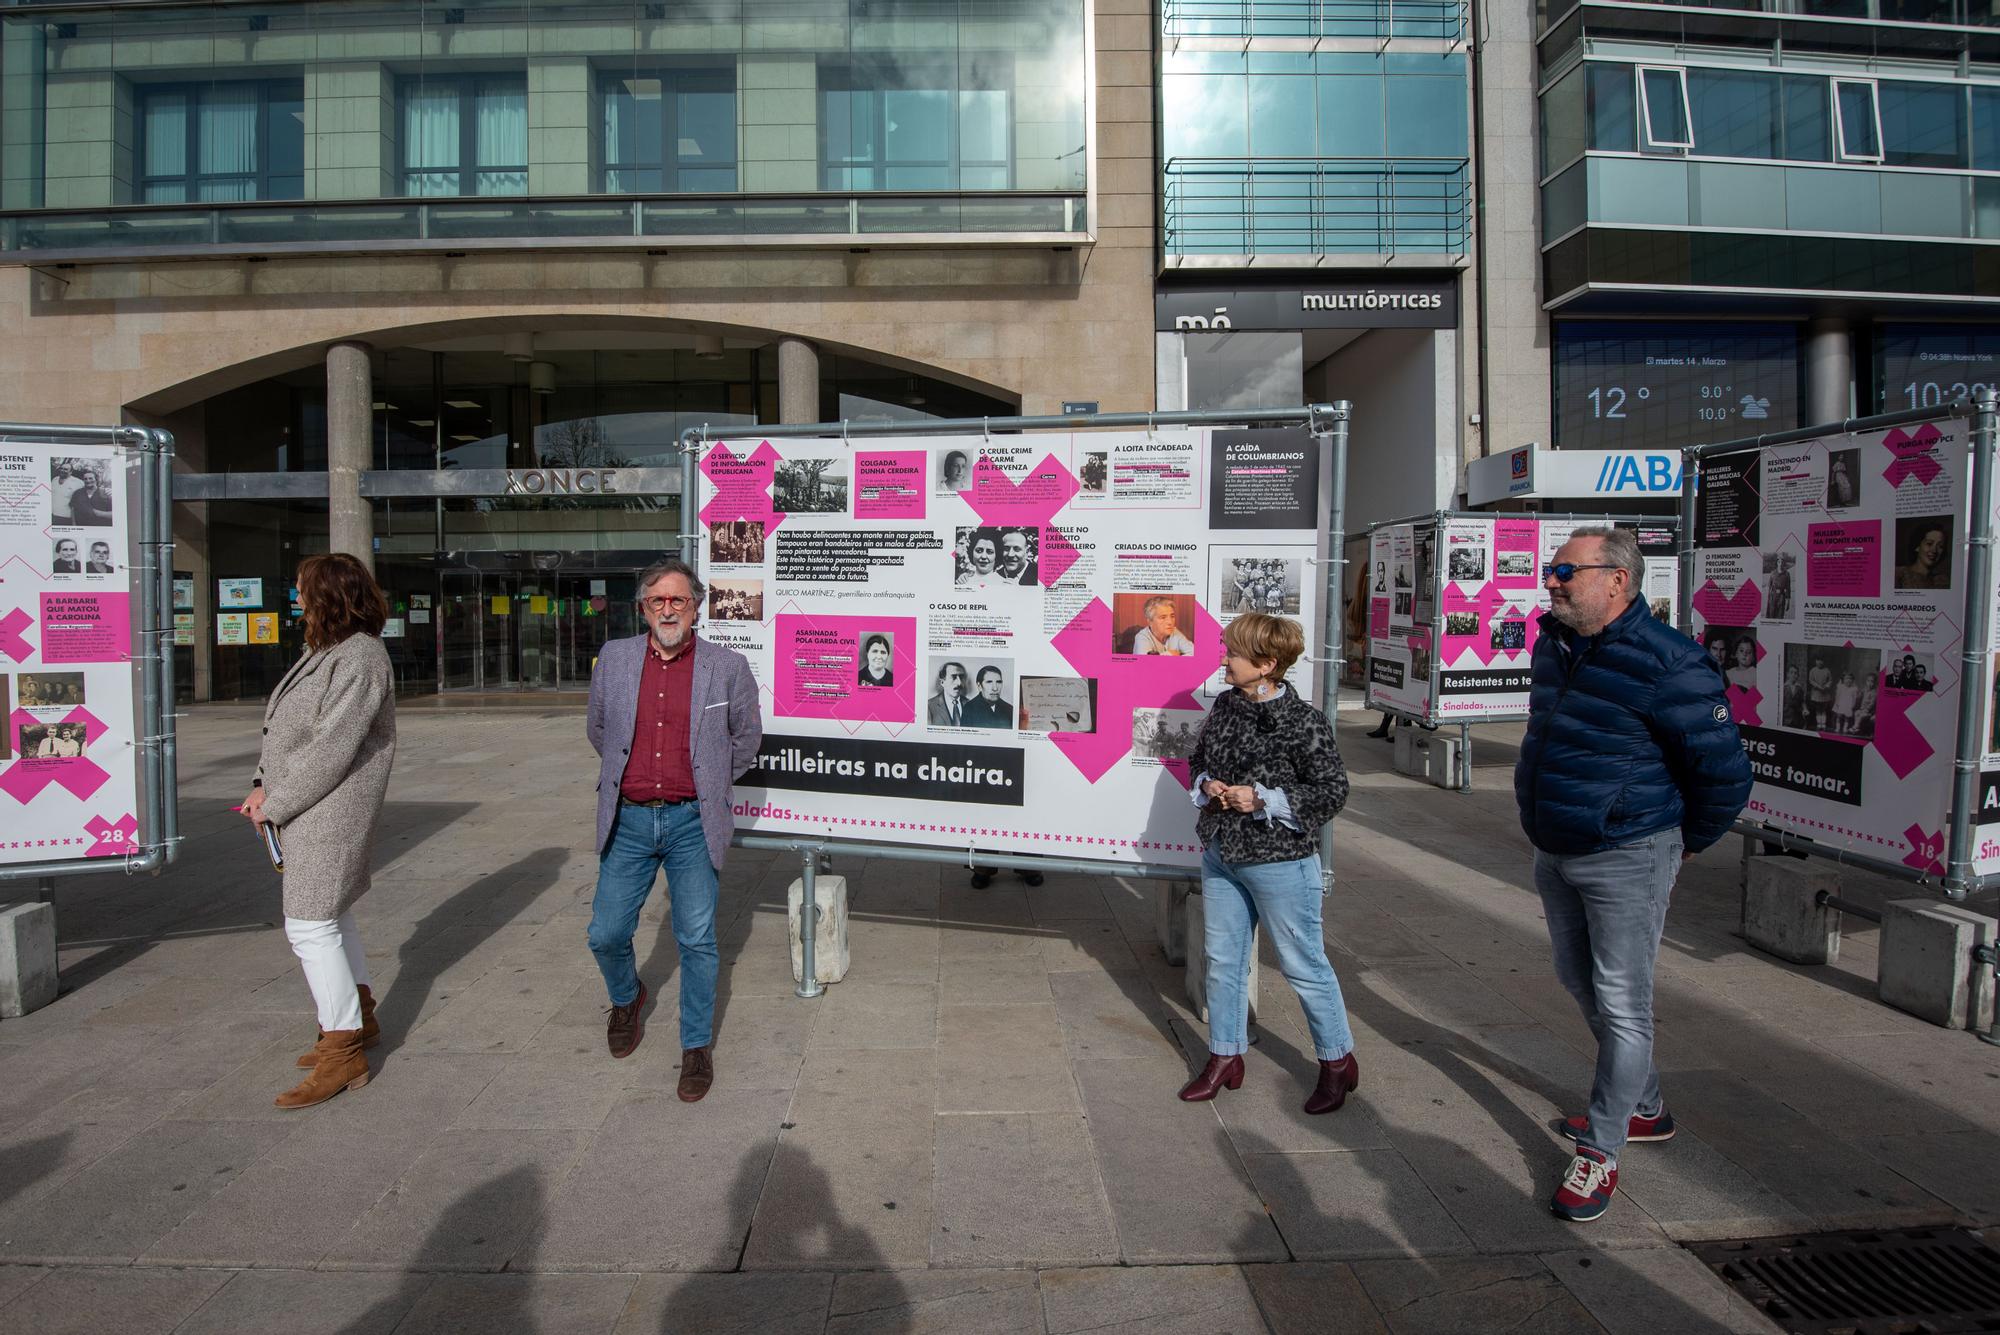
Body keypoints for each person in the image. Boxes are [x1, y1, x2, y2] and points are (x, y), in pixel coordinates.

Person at [1516, 527, 1751, 1223]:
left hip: (1628, 853)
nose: (1551, 581)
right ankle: (1644, 1105)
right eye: (1550, 570)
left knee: (1622, 1003)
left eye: (1565, 570)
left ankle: (1604, 1146)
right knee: (1576, 979)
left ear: (1617, 580)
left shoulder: (1671, 662)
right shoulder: (1553, 644)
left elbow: (1725, 774)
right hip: (1556, 847)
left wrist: (1678, 844)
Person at [585, 557, 761, 1100]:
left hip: (691, 821)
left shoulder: (726, 666)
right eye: (658, 600)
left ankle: (695, 1048)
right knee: (606, 933)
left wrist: (707, 780)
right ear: (643, 608)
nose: (668, 609)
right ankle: (627, 997)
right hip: (630, 820)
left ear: (697, 608)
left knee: (697, 940)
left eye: (679, 600)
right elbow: (597, 727)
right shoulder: (614, 659)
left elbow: (747, 736)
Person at [1180, 612, 1356, 1115]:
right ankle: (1225, 1057)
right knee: (1223, 963)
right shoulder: (1227, 705)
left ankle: (1336, 1062)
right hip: (1222, 853)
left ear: (1267, 664)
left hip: (1280, 862)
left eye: (1233, 652)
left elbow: (1332, 791)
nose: (1224, 659)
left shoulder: (1304, 721)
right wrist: (1208, 785)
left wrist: (1263, 799)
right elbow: (1199, 761)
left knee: (1304, 967)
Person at [241, 552, 397, 1111]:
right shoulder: (324, 650)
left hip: (331, 809)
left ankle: (343, 1048)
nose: (297, 598)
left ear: (330, 595)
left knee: (308, 923)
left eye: (304, 589)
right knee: (330, 914)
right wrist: (263, 783)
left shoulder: (360, 657)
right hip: (308, 805)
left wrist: (276, 803)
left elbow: (333, 746)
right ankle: (360, 1015)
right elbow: (284, 729)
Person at [1896, 524, 1951, 590]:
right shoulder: (1899, 574)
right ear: (1917, 546)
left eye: (1940, 546)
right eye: (1929, 543)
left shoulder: (1942, 581)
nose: (1934, 550)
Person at [927, 661, 971, 726]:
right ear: (942, 682)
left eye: (961, 677)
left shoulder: (971, 705)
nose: (959, 683)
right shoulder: (929, 706)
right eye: (953, 677)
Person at [1808, 655, 1834, 729]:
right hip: (1816, 692)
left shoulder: (1827, 670)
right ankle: (1819, 723)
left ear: (1824, 661)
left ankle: (1823, 723)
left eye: (1821, 660)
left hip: (1825, 693)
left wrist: (1826, 686)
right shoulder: (1813, 670)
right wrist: (1818, 686)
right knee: (1818, 709)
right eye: (1818, 660)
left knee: (1824, 709)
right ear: (1815, 661)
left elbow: (1830, 680)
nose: (1820, 662)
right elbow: (1811, 680)